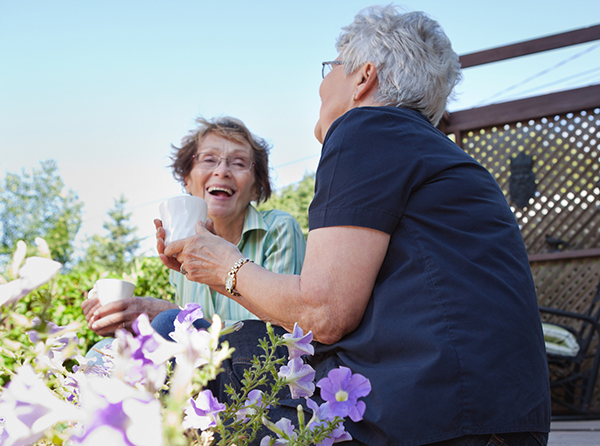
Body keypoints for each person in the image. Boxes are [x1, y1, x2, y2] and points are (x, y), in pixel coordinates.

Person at [156, 6, 551, 446]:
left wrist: (225, 268)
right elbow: (319, 314)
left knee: (187, 358)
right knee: (204, 347)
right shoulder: (425, 147)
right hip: (491, 416)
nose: (322, 84)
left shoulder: (368, 127)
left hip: (438, 415)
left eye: (332, 67)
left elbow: (323, 314)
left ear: (363, 78)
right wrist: (213, 269)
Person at [82, 116, 306, 338]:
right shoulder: (181, 251)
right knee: (103, 352)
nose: (222, 171)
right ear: (187, 180)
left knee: (167, 321)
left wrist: (173, 315)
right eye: (209, 159)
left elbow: (284, 330)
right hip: (207, 368)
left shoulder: (279, 229)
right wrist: (132, 323)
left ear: (257, 187)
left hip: (264, 365)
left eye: (238, 163)